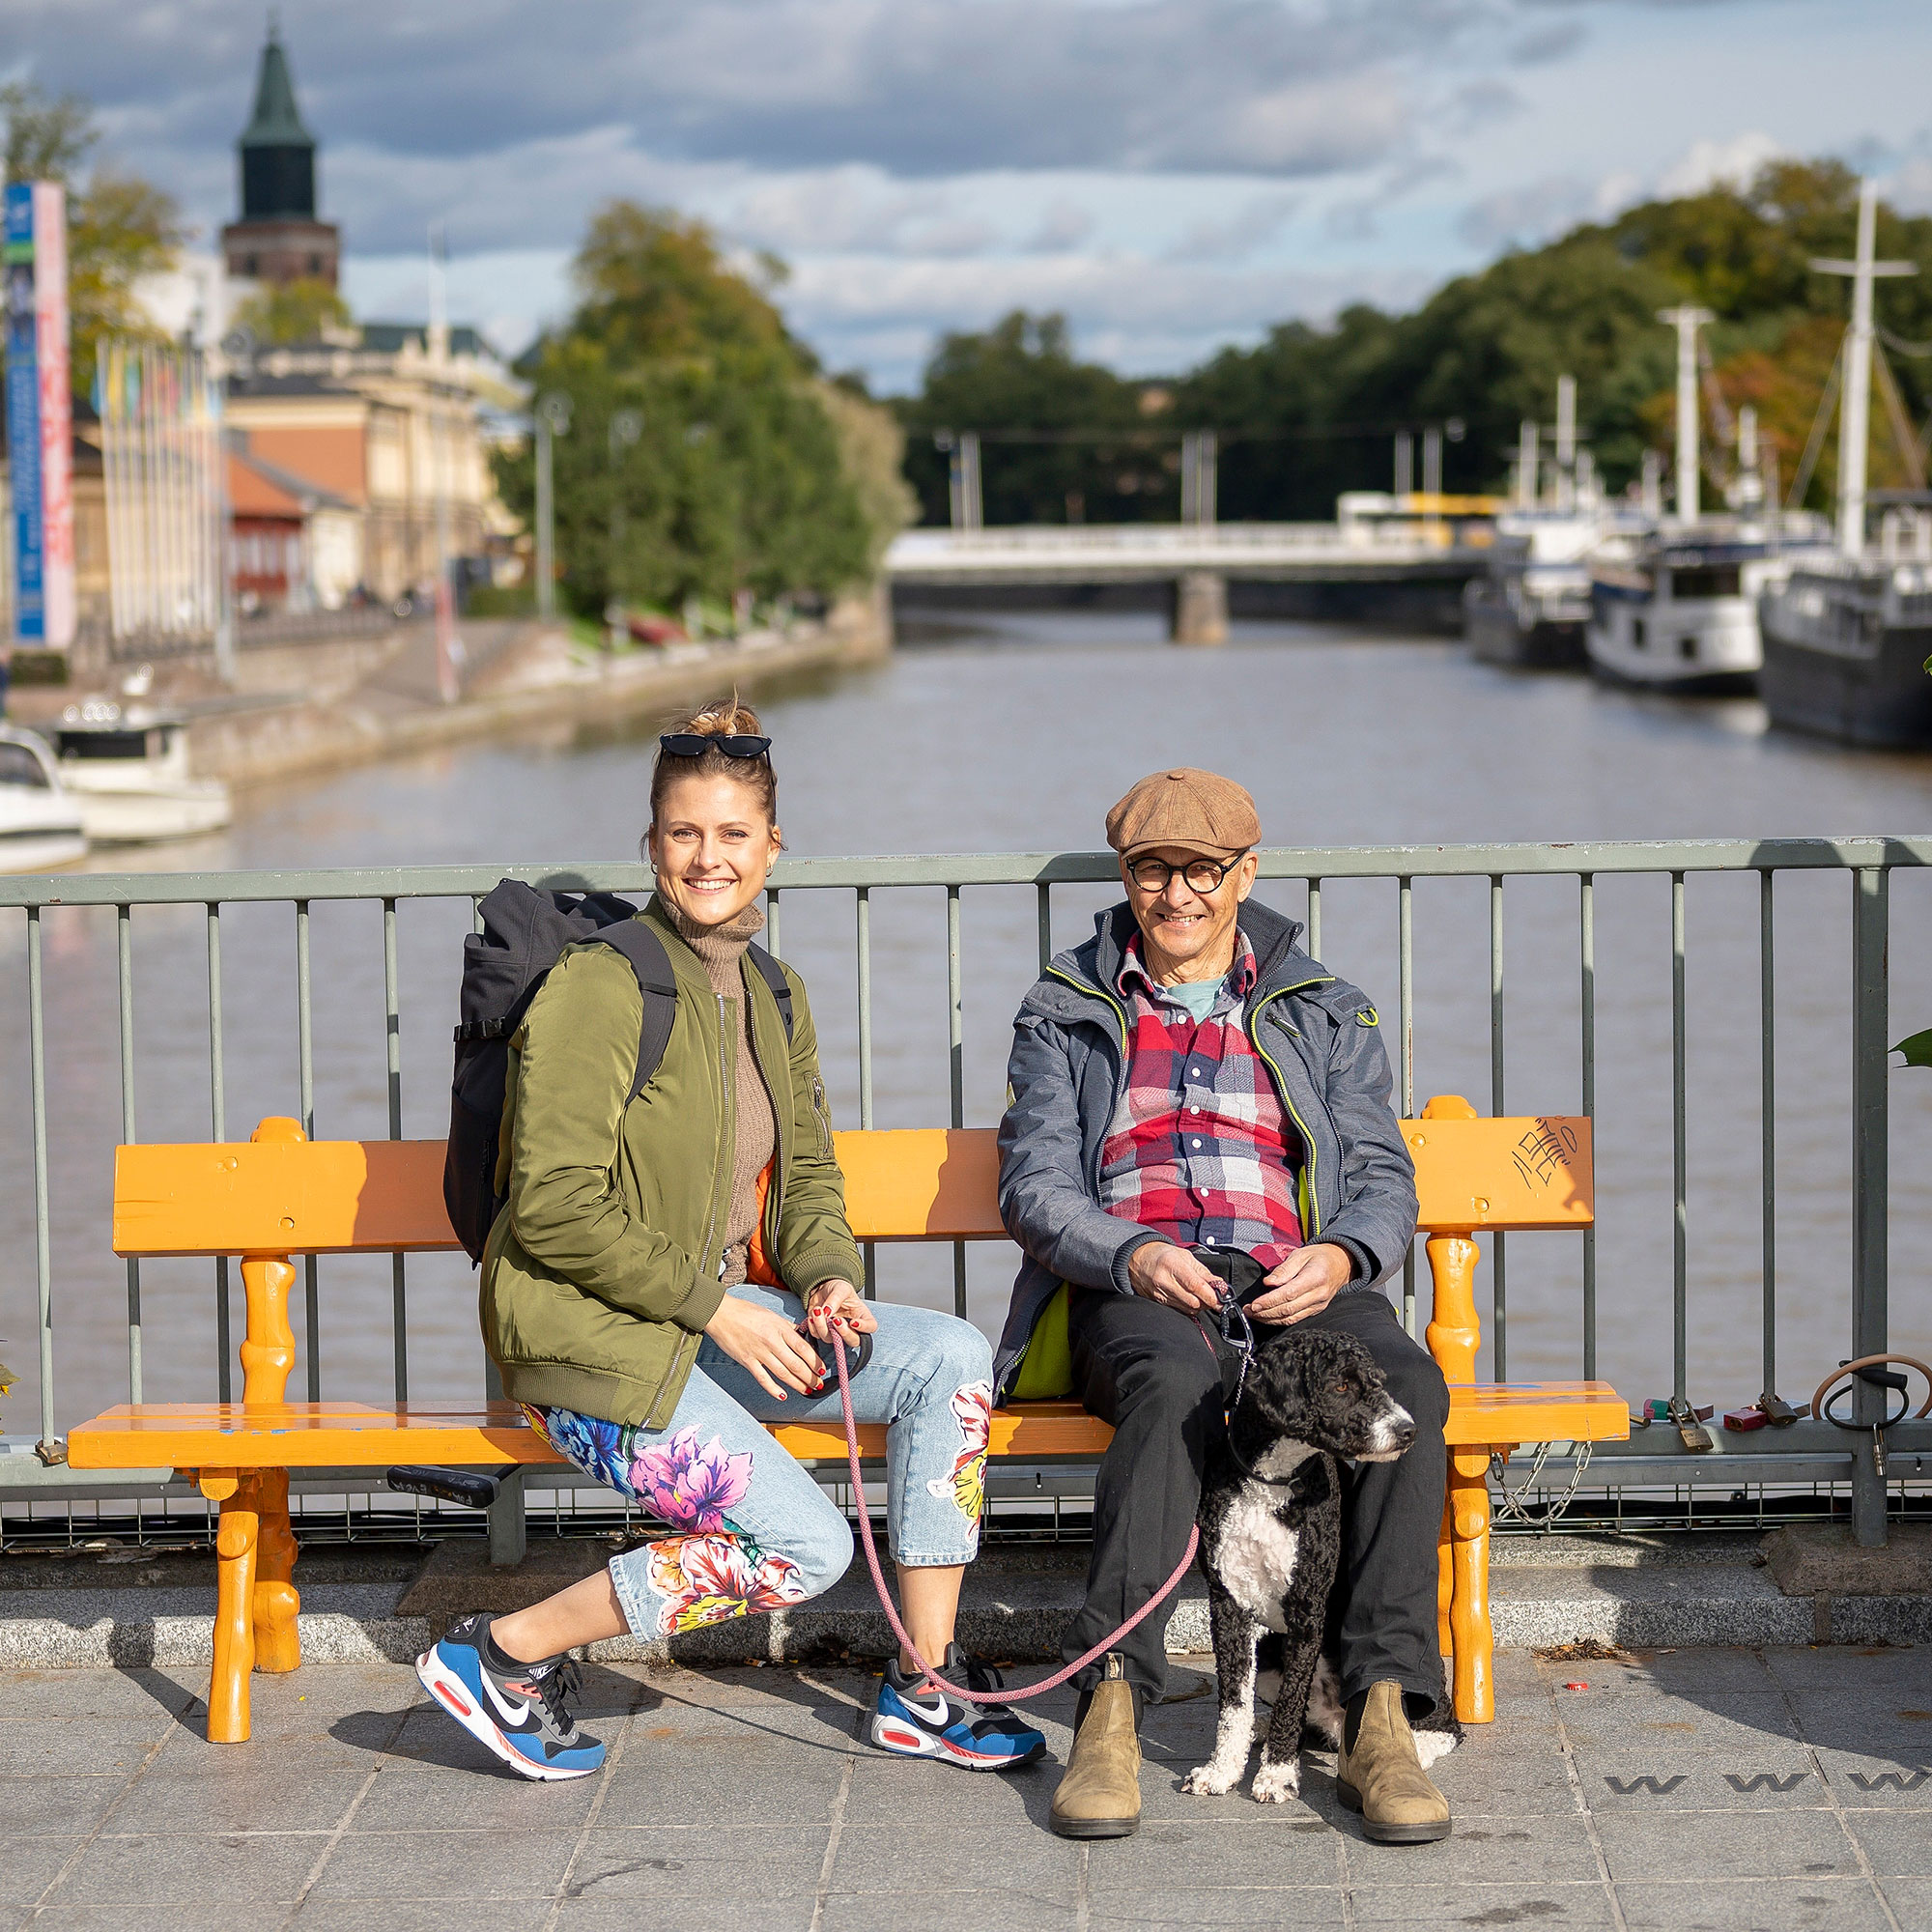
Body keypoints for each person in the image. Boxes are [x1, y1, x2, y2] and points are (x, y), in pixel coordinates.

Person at [418, 699, 1044, 1780]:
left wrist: (829, 1277)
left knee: (945, 1357)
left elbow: (803, 1176)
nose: (708, 858)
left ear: (771, 847)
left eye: (732, 834)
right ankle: (502, 1654)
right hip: (584, 1344)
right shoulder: (597, 986)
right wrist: (720, 1309)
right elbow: (556, 1202)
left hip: (705, 1324)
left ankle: (924, 1687)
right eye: (684, 833)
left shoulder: (771, 991)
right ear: (653, 843)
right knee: (808, 1542)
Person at [993, 767, 1448, 1842]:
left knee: (1412, 1386)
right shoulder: (1065, 1004)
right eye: (1152, 870)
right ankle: (1109, 1703)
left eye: (1201, 869)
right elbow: (1034, 1184)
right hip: (1139, 1280)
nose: (1176, 894)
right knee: (1176, 1388)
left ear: (1245, 872)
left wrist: (1340, 1253)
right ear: (1125, 876)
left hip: (1295, 1280)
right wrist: (1129, 1249)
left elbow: (1382, 1175)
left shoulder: (1321, 1004)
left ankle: (1380, 1707)